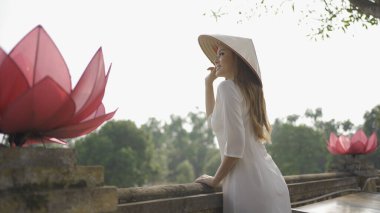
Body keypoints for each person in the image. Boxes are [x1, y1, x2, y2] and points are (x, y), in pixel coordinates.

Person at [195, 34, 292, 213]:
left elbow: (235, 147)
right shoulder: (244, 91)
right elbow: (213, 123)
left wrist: (216, 180)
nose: (216, 59)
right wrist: (208, 84)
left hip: (247, 186)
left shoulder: (227, 88)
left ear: (238, 60)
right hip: (269, 181)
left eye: (222, 54)